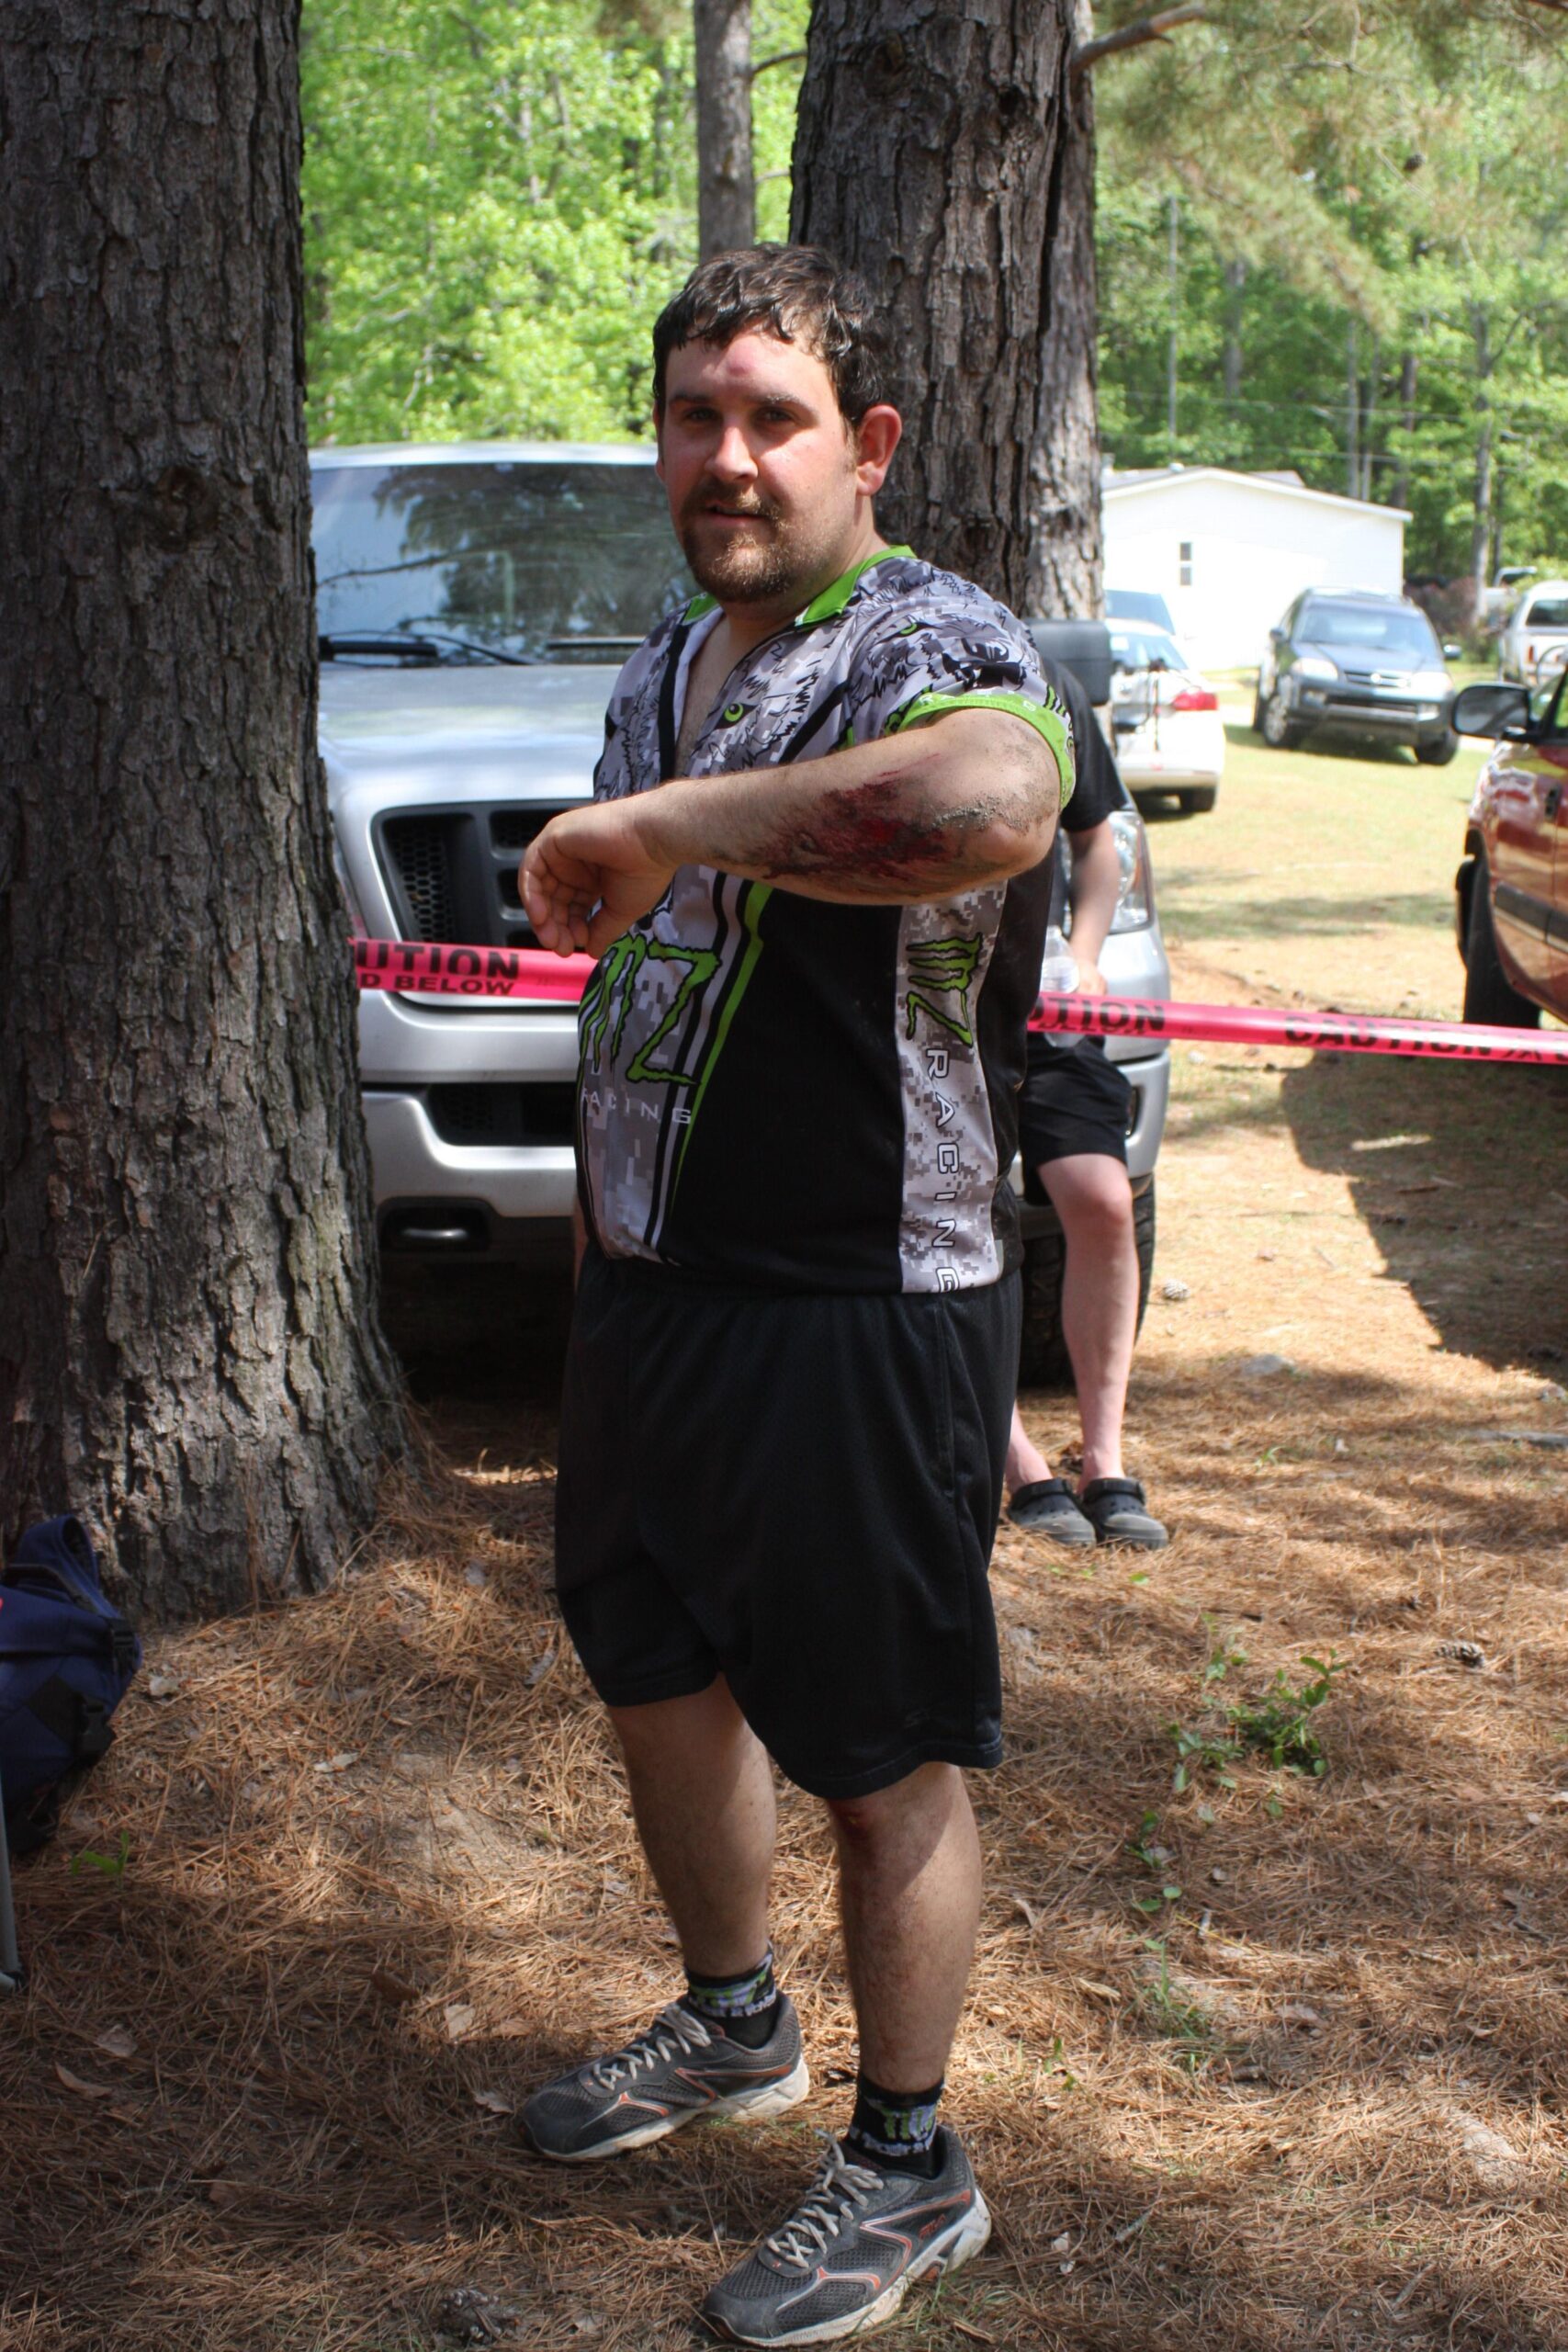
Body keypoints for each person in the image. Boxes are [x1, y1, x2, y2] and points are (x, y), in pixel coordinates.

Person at [515, 244, 1073, 2348]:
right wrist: (598, 1248)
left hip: (862, 1296)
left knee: (876, 1747)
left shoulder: (930, 632)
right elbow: (642, 981)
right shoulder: (670, 652)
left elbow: (981, 807)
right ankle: (733, 2020)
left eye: (767, 417)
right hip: (653, 1288)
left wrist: (675, 822)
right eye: (690, 418)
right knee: (648, 1653)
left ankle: (909, 2154)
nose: (723, 457)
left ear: (865, 444)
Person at [1004, 656, 1168, 1552]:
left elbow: (1097, 834)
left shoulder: (1042, 679)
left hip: (1050, 1011)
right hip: (922, 1018)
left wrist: (1089, 950)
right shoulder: (869, 676)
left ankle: (1103, 1458)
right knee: (956, 1222)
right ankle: (1018, 1463)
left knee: (1104, 1200)